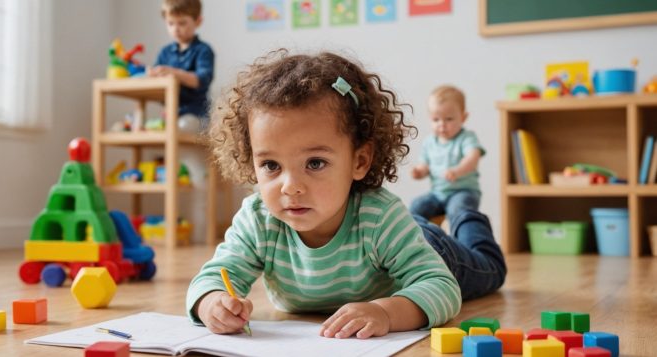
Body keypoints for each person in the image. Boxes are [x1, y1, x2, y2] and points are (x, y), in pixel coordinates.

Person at [186, 50, 506, 339]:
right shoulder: (258, 219)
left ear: (359, 161)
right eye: (270, 164)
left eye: (315, 163)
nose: (290, 186)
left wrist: (385, 312)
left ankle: (468, 219)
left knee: (489, 268)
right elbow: (213, 276)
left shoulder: (379, 218)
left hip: (433, 251)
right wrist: (212, 303)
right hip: (395, 243)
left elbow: (442, 287)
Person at [409, 85, 485, 221]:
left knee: (458, 210)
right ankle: (424, 239)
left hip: (463, 192)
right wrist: (419, 172)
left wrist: (457, 171)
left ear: (463, 117)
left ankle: (462, 240)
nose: (442, 124)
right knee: (416, 207)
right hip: (437, 194)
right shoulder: (429, 142)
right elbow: (425, 166)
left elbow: (473, 157)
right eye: (436, 119)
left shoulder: (466, 137)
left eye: (449, 119)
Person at [149, 0, 214, 131]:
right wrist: (151, 75)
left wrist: (174, 73)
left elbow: (202, 79)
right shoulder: (165, 53)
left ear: (198, 21)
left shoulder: (203, 50)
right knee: (148, 130)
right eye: (170, 23)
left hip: (197, 114)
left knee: (180, 127)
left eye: (182, 23)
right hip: (170, 115)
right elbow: (155, 85)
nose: (175, 29)